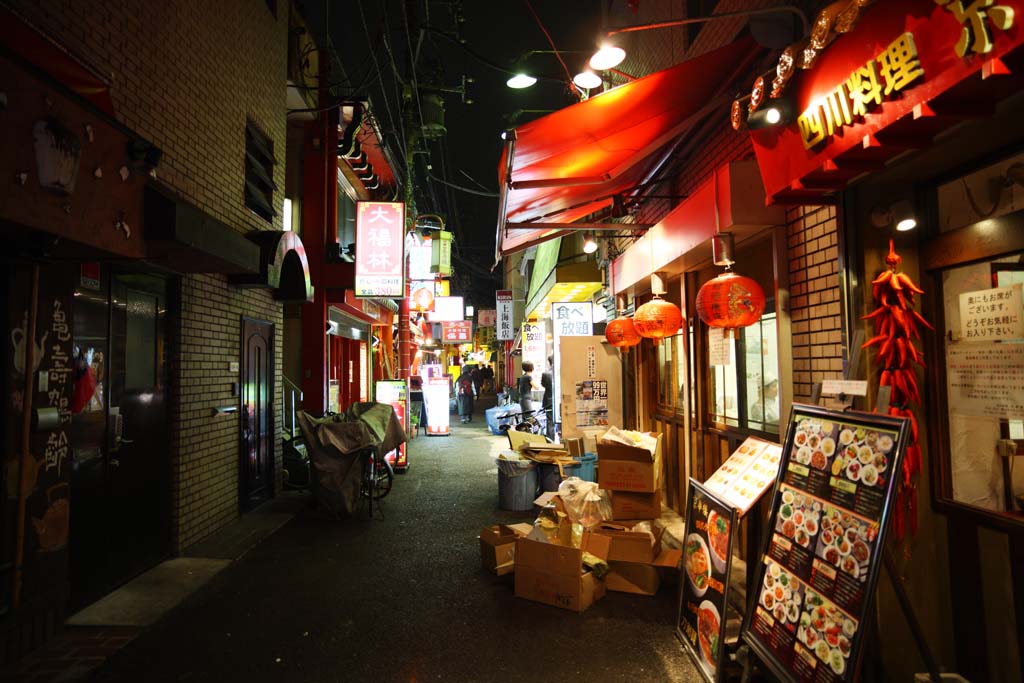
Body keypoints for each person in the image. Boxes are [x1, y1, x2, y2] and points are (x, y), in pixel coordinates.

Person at [540, 356, 554, 439]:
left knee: (549, 421)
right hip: (559, 400)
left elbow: (543, 384)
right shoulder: (561, 372)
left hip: (548, 399)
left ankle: (550, 439)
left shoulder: (545, 374)